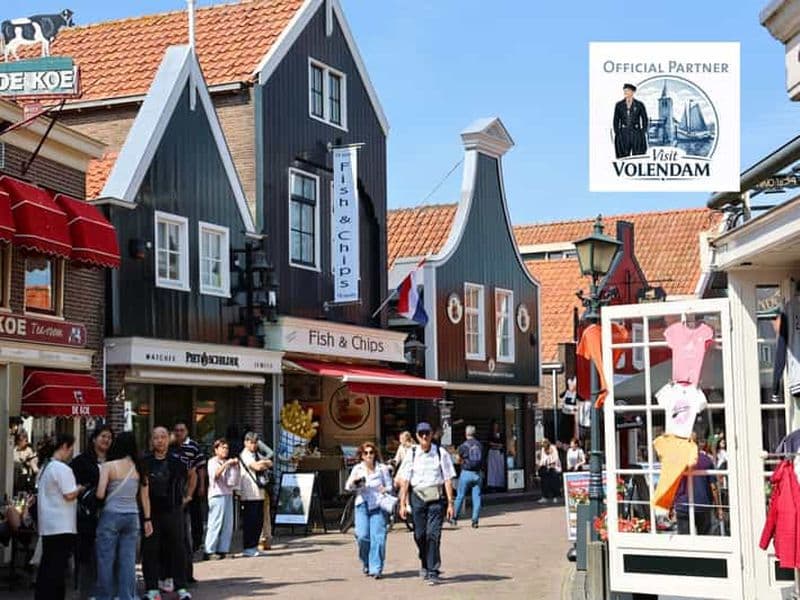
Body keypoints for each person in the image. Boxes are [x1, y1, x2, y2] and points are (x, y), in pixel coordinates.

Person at [95, 432, 152, 600]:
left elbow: (99, 494)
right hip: (132, 516)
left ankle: (105, 596)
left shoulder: (109, 466)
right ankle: (127, 596)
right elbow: (145, 497)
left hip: (111, 514)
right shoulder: (140, 467)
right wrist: (148, 519)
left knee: (106, 559)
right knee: (128, 561)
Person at [397, 422, 456, 585]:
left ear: (431, 434)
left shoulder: (440, 453)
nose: (424, 436)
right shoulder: (412, 453)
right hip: (417, 497)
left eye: (427, 433)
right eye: (421, 433)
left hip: (435, 498)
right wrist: (402, 503)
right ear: (416, 436)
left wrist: (450, 503)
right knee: (420, 535)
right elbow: (405, 480)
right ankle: (424, 560)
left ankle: (433, 570)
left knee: (433, 534)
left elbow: (447, 478)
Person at [142, 426, 194, 600]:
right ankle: (152, 588)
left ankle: (181, 587)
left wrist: (188, 496)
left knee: (178, 548)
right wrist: (146, 516)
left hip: (173, 511)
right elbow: (142, 489)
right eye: (156, 437)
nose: (160, 440)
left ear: (168, 439)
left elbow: (192, 474)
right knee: (150, 550)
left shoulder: (176, 460)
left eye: (163, 437)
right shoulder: (145, 461)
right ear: (151, 440)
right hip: (152, 512)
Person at [35, 433, 84, 600]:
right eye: (70, 448)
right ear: (64, 446)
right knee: (57, 569)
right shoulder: (62, 469)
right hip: (62, 526)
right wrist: (80, 488)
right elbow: (69, 494)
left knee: (47, 566)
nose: (71, 452)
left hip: (48, 525)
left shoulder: (45, 467)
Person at [70, 424, 114, 599]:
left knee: (106, 554)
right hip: (88, 514)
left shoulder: (114, 460)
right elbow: (71, 484)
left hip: (110, 513)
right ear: (94, 438)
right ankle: (86, 593)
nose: (106, 440)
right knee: (87, 554)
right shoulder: (81, 461)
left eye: (109, 437)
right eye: (103, 436)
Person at [345, 441, 393, 579]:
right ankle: (366, 561)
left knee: (378, 537)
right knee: (362, 536)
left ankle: (376, 568)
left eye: (371, 452)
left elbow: (390, 486)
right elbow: (348, 486)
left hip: (378, 505)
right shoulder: (357, 469)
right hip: (362, 505)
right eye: (365, 453)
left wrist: (385, 489)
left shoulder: (382, 469)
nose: (369, 455)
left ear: (375, 454)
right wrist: (355, 483)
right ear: (361, 455)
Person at [171, 421, 205, 584]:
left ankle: (187, 572)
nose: (179, 433)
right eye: (176, 430)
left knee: (188, 531)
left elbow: (198, 470)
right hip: (172, 498)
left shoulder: (193, 446)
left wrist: (199, 488)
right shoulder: (171, 448)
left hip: (187, 494)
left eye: (182, 430)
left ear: (187, 431)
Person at [674, 442, 723, 536]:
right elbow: (713, 487)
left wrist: (671, 506)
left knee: (684, 541)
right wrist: (718, 507)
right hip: (703, 505)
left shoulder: (678, 460)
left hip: (683, 505)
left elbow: (673, 485)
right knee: (704, 539)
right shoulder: (706, 460)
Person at [204, 438, 240, 560]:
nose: (225, 450)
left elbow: (232, 481)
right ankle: (209, 550)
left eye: (227, 448)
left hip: (228, 494)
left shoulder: (228, 462)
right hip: (217, 495)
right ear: (216, 449)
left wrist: (235, 467)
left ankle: (223, 549)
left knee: (227, 524)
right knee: (215, 522)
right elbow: (215, 475)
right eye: (222, 448)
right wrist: (226, 464)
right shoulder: (212, 462)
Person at [239, 431, 272, 557]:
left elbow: (270, 462)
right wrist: (264, 464)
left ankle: (254, 546)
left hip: (260, 491)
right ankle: (248, 547)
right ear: (246, 442)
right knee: (250, 520)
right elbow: (256, 467)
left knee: (258, 520)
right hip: (249, 492)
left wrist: (263, 463)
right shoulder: (245, 454)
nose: (253, 445)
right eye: (251, 442)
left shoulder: (256, 454)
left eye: (255, 443)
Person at [451, 425, 483, 528]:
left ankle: (454, 518)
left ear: (466, 433)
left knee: (460, 496)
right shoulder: (479, 445)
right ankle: (475, 521)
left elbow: (458, 460)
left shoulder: (463, 446)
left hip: (466, 473)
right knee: (477, 497)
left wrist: (460, 460)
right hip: (477, 474)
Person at [612, 82, 649, 158]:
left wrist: (642, 132)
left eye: (627, 90)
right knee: (622, 157)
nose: (625, 92)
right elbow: (615, 120)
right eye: (624, 90)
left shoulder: (639, 105)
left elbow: (645, 119)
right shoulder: (619, 105)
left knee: (638, 157)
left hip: (636, 134)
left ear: (632, 92)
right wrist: (618, 133)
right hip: (623, 134)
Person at [537, 439, 562, 504]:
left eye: (544, 444)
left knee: (554, 481)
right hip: (546, 467)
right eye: (542, 445)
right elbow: (542, 459)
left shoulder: (553, 448)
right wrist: (540, 465)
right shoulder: (543, 449)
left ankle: (556, 496)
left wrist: (550, 463)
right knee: (544, 481)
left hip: (554, 467)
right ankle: (544, 497)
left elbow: (556, 458)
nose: (543, 446)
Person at [13, 430, 38, 494]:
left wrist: (34, 469)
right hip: (14, 475)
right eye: (25, 440)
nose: (26, 442)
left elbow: (33, 462)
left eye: (26, 440)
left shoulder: (28, 450)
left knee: (22, 491)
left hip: (24, 475)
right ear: (19, 441)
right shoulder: (14, 450)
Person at [486, 420, 506, 491]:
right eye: (494, 426)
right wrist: (496, 445)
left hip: (499, 453)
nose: (495, 427)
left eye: (496, 426)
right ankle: (492, 485)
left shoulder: (501, 434)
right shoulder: (490, 434)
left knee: (499, 468)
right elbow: (489, 443)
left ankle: (500, 484)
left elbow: (503, 443)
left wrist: (498, 445)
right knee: (492, 469)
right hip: (492, 452)